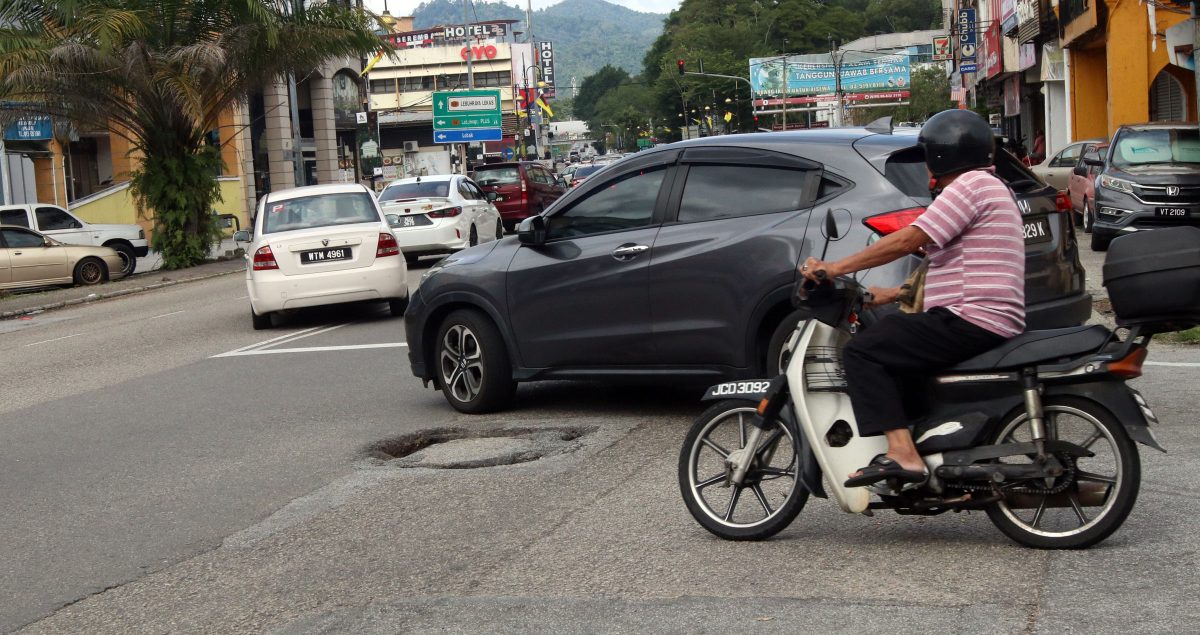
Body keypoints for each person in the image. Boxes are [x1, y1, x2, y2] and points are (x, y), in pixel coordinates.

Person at [800, 109, 1026, 490]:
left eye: (926, 158)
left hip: (970, 317)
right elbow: (959, 265)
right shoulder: (992, 186)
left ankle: (902, 453)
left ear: (943, 154)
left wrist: (834, 268)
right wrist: (889, 294)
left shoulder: (969, 186)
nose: (925, 168)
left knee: (864, 352)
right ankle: (929, 444)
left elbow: (909, 239)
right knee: (899, 347)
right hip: (983, 315)